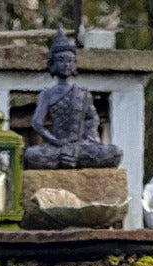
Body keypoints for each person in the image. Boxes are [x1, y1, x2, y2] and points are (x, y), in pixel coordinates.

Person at [25, 28, 123, 170]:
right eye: (61, 60)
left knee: (115, 153)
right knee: (31, 155)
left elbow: (92, 119)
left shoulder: (82, 93)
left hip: (81, 145)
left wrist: (83, 143)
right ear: (52, 63)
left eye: (70, 61)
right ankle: (70, 158)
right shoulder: (47, 94)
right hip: (57, 147)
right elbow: (37, 123)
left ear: (75, 64)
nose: (66, 65)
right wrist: (56, 142)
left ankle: (74, 157)